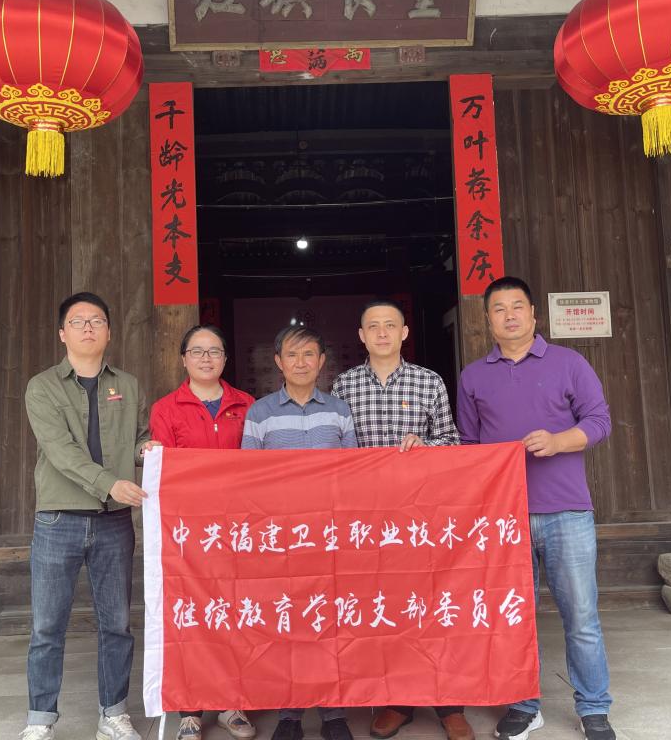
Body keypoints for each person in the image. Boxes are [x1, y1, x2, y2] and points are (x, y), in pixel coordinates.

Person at [455, 277, 615, 740]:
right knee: (514, 618)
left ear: (533, 314)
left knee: (581, 616)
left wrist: (559, 441)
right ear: (488, 320)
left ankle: (594, 708)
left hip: (567, 510)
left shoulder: (569, 363)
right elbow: (468, 445)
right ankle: (525, 706)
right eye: (499, 309)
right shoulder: (473, 376)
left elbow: (600, 420)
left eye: (517, 306)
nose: (509, 315)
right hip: (505, 517)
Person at [330, 300, 472, 740]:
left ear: (404, 332)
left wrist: (427, 446)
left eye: (390, 325)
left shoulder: (429, 382)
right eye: (373, 326)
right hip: (367, 518)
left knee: (433, 604)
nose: (382, 333)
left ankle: (449, 704)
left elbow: (453, 441)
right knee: (387, 607)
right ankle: (398, 701)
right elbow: (334, 451)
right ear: (361, 335)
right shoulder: (343, 385)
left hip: (420, 515)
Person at [22, 292, 155, 740]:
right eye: (77, 321)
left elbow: (137, 438)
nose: (87, 328)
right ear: (62, 333)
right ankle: (40, 719)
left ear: (109, 332)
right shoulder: (42, 387)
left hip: (114, 520)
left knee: (116, 624)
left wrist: (147, 450)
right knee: (47, 626)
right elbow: (60, 452)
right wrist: (109, 483)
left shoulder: (128, 385)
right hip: (58, 519)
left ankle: (113, 714)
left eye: (96, 320)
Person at [241, 324, 357, 740]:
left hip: (328, 535)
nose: (301, 362)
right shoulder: (260, 413)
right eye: (292, 355)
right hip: (283, 538)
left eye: (309, 354)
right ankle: (289, 713)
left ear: (322, 362)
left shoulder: (340, 410)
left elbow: (353, 473)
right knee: (286, 622)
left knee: (330, 622)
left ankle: (333, 713)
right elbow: (249, 478)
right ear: (279, 362)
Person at [149, 324, 257, 740]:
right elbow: (164, 467)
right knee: (189, 616)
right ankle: (190, 710)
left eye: (214, 351)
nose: (206, 358)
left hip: (238, 527)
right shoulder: (166, 408)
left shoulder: (247, 405)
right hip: (187, 531)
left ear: (226, 359)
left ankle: (232, 705)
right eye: (197, 351)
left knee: (235, 613)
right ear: (184, 359)